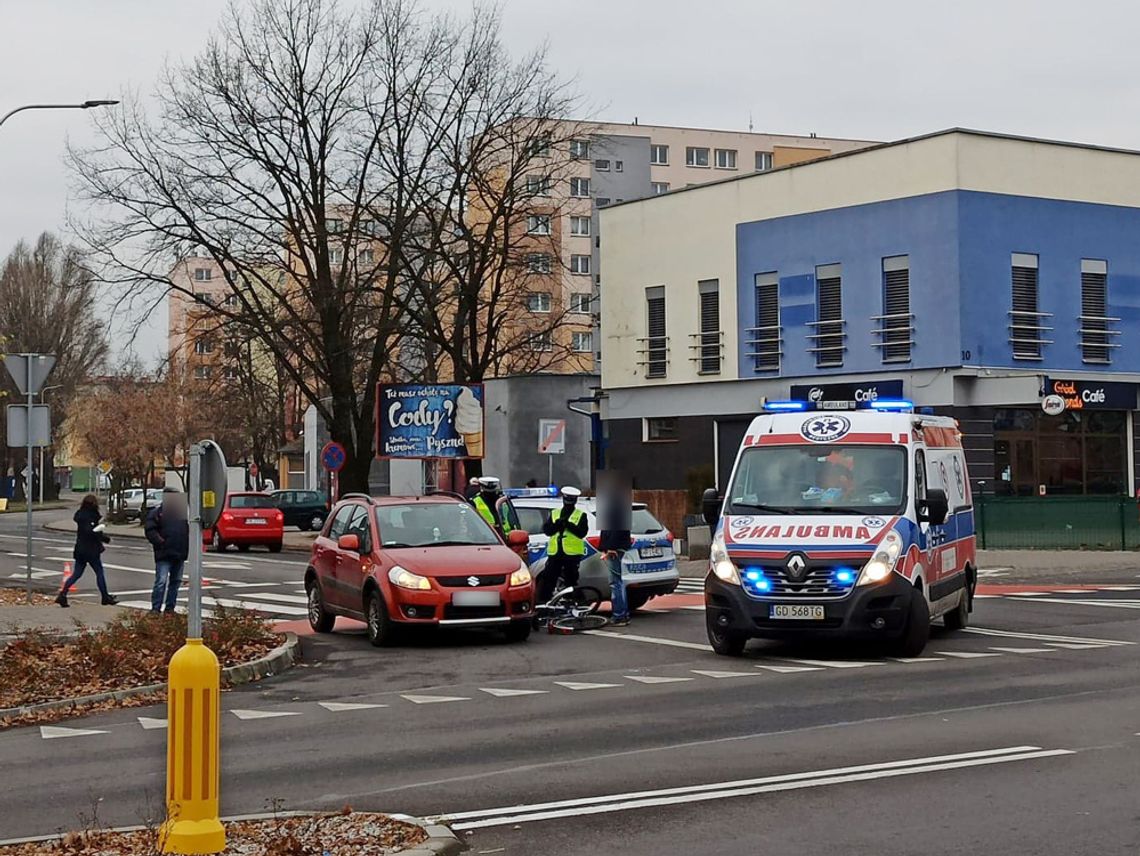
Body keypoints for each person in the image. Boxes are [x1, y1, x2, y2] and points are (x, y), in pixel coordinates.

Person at [56, 494, 117, 608]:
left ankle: (62, 594)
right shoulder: (91, 516)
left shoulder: (80, 515)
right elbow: (92, 532)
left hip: (80, 549)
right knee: (99, 572)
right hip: (91, 550)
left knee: (76, 574)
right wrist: (105, 538)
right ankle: (105, 597)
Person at [538, 486, 589, 604]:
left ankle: (576, 603)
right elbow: (547, 531)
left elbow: (582, 533)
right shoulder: (555, 513)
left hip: (572, 554)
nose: (568, 503)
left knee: (571, 580)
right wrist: (557, 525)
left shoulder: (581, 515)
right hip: (556, 552)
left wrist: (568, 525)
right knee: (548, 579)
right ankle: (544, 604)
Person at [145, 488, 190, 614]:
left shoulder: (180, 514)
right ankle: (156, 608)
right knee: (161, 582)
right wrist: (161, 542)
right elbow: (150, 530)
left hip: (179, 553)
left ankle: (170, 608)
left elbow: (185, 531)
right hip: (164, 553)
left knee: (175, 582)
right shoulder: (157, 512)